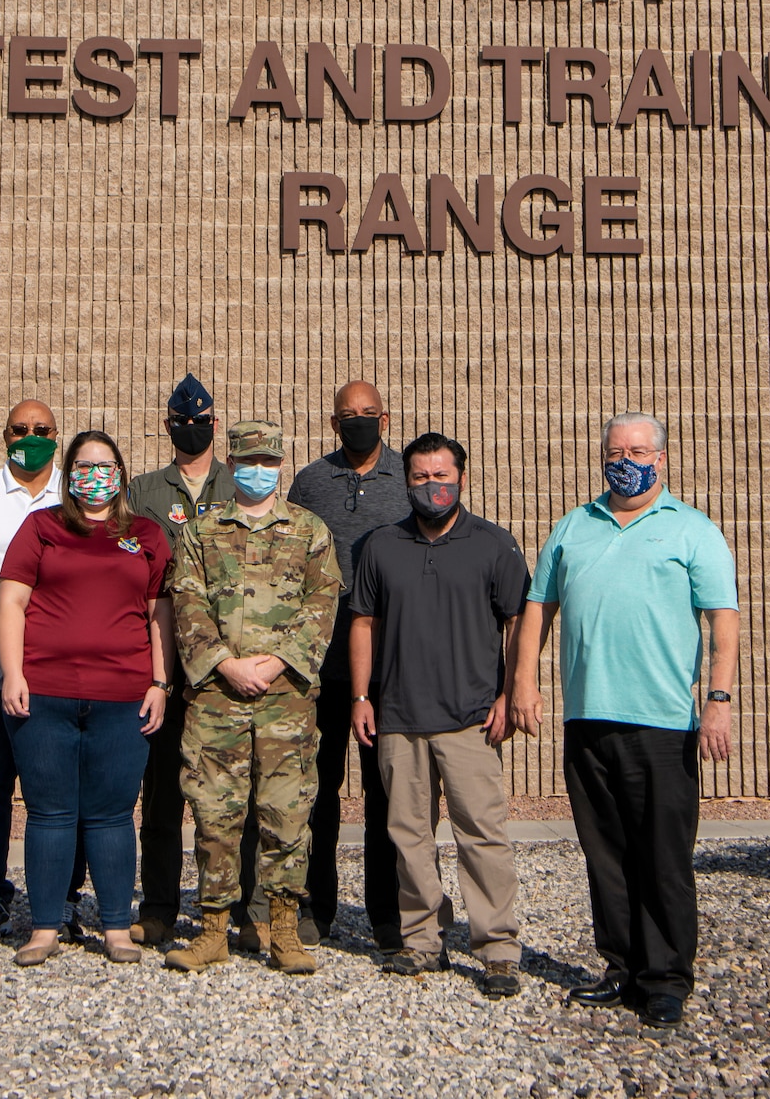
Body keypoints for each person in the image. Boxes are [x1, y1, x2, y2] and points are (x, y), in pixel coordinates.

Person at [507, 411, 740, 1029]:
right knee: (604, 853)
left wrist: (717, 701)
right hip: (587, 717)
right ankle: (620, 967)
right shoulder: (573, 526)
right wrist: (523, 681)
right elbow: (538, 609)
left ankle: (665, 979)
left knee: (662, 854)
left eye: (638, 450)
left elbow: (724, 621)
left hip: (662, 723)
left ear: (661, 458)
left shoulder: (692, 530)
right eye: (616, 449)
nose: (626, 459)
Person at [349, 432, 531, 996]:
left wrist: (511, 693)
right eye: (421, 477)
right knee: (408, 838)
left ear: (462, 478)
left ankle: (497, 948)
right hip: (399, 717)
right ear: (406, 482)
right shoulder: (380, 545)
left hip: (472, 720)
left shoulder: (494, 546)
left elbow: (521, 623)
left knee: (482, 836)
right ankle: (423, 942)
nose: (433, 486)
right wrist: (361, 696)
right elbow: (363, 624)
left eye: (442, 476)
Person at [163, 421, 342, 974]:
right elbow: (186, 602)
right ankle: (213, 929)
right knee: (215, 815)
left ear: (281, 464)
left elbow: (323, 602)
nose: (259, 471)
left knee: (286, 815)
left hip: (286, 699)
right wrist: (226, 664)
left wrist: (277, 661)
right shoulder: (202, 531)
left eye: (269, 461)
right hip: (218, 699)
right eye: (249, 461)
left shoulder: (310, 530)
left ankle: (283, 929)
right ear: (233, 462)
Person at [0, 431, 173, 966]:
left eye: (105, 465)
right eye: (83, 465)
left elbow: (159, 613)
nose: (94, 474)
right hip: (45, 693)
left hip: (123, 697)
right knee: (49, 813)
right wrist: (11, 673)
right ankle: (45, 927)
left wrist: (161, 683)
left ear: (120, 473)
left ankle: (117, 926)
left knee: (113, 815)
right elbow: (11, 602)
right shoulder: (41, 527)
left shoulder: (145, 534)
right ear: (68, 473)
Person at [285, 379, 409, 948]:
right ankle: (318, 904)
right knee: (319, 791)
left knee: (390, 794)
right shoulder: (310, 482)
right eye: (346, 415)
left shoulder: (411, 477)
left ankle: (389, 913)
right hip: (321, 666)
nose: (358, 422)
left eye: (368, 413)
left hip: (393, 666)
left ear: (384, 419)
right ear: (334, 424)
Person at [0, 399, 88, 943]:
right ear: (3, 435)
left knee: (68, 792)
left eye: (41, 430)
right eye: (20, 430)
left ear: (57, 436)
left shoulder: (77, 495)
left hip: (64, 669)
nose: (30, 437)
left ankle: (63, 895)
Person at [127, 373, 240, 946]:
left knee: (231, 792)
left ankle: (240, 910)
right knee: (164, 794)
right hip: (167, 665)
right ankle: (160, 907)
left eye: (200, 422)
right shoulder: (143, 492)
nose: (191, 431)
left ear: (215, 425)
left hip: (227, 663)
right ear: (168, 427)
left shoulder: (241, 485)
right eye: (180, 423)